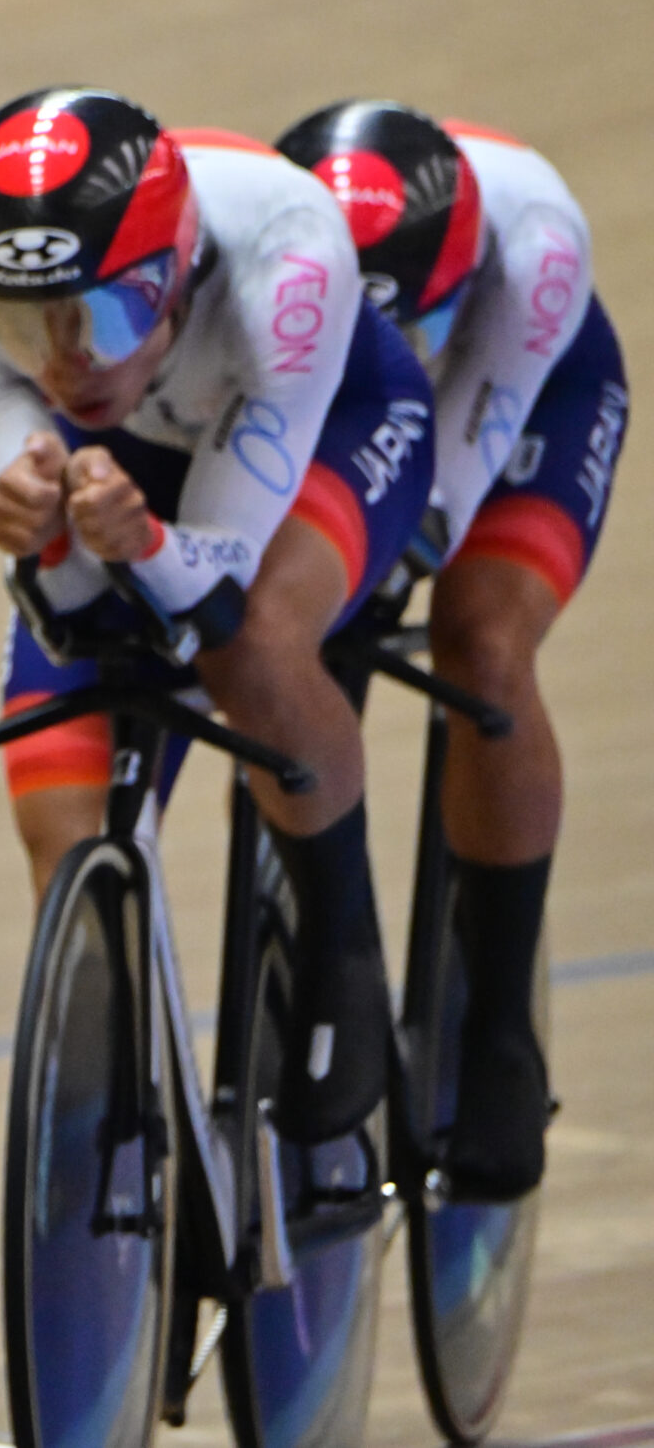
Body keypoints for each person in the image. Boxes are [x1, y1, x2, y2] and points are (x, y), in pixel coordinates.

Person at [0, 88, 436, 1148]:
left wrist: (140, 544)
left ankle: (341, 950)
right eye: (28, 328)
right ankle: (120, 1123)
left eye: (106, 314)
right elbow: (64, 604)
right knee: (59, 813)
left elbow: (215, 585)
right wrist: (34, 518)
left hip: (324, 423)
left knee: (249, 649)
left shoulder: (285, 256)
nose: (69, 362)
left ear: (180, 268)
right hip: (137, 459)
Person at [277, 99, 626, 1196]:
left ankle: (500, 1030)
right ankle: (328, 964)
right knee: (286, 647)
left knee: (478, 641)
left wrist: (390, 551)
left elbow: (454, 469)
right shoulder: (273, 241)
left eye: (413, 322)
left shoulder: (537, 248)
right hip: (343, 400)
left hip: (524, 402)